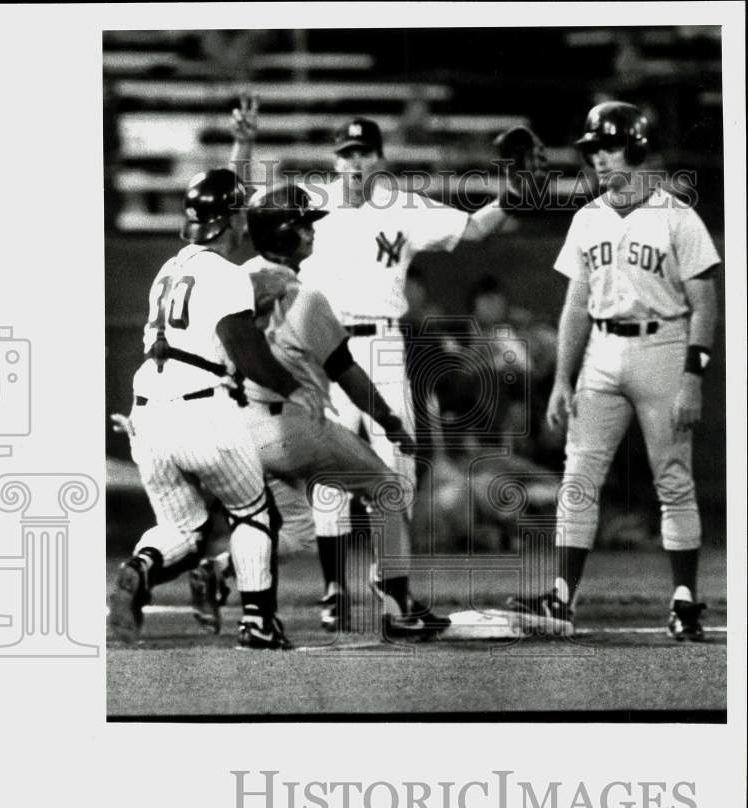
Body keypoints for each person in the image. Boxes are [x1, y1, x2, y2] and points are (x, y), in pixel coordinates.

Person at [230, 106, 547, 628]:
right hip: (320, 347)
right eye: (347, 153)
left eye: (365, 152)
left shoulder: (405, 206)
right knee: (328, 475)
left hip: (382, 346)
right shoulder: (313, 201)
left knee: (396, 470)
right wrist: (243, 147)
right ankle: (335, 592)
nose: (355, 161)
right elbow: (249, 202)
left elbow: (475, 227)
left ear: (381, 159)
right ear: (336, 160)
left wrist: (515, 190)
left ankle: (390, 587)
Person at [190, 181, 450, 640]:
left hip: (234, 430)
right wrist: (391, 424)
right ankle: (397, 605)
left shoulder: (228, 281)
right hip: (289, 428)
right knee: (386, 489)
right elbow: (348, 373)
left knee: (294, 529)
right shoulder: (306, 297)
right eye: (304, 226)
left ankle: (221, 568)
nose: (312, 234)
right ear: (284, 234)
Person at [508, 101, 720, 640]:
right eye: (593, 149)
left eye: (609, 146)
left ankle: (685, 598)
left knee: (672, 477)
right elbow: (576, 306)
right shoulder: (586, 217)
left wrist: (695, 374)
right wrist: (561, 378)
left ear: (638, 149)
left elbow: (706, 301)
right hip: (602, 348)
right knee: (578, 477)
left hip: (663, 345)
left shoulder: (676, 214)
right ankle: (562, 598)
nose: (599, 158)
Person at [108, 168, 322, 650]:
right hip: (201, 406)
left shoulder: (168, 269)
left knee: (182, 529)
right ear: (229, 220)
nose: (246, 220)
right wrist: (296, 388)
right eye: (240, 212)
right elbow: (244, 350)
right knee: (254, 513)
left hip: (148, 410)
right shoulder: (227, 275)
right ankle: (258, 623)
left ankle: (138, 570)